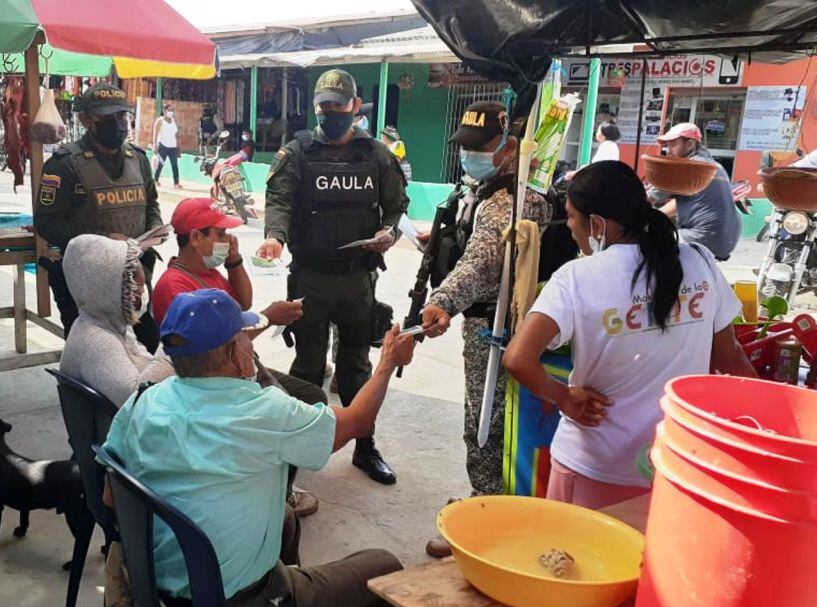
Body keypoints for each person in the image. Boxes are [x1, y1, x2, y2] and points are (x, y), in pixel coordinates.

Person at [103, 288, 415, 607]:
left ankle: (292, 600)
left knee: (285, 518)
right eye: (245, 338)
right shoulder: (264, 412)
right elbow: (358, 420)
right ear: (233, 354)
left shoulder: (144, 400)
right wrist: (387, 362)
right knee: (385, 569)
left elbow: (110, 497)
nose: (251, 346)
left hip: (157, 593)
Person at [503, 160, 757, 509]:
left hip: (593, 465)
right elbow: (731, 360)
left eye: (572, 217)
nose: (571, 228)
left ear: (596, 224)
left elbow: (518, 359)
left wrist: (563, 397)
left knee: (577, 558)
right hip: (673, 463)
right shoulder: (700, 261)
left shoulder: (576, 277)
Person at [257, 68, 410, 485]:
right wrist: (275, 237)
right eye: (323, 107)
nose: (330, 114)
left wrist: (389, 233)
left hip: (358, 280)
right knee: (307, 367)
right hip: (310, 279)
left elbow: (397, 208)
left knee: (356, 367)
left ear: (355, 108)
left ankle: (365, 445)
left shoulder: (377, 154)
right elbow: (280, 199)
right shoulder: (299, 151)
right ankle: (300, 445)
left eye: (338, 107)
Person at [418, 101, 551, 556]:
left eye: (482, 148)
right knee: (491, 417)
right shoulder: (489, 188)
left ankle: (486, 516)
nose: (470, 156)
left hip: (496, 325)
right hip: (490, 319)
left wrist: (443, 300)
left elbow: (482, 262)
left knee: (486, 421)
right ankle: (492, 503)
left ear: (510, 148)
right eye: (467, 148)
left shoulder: (514, 200)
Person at [152, 197, 323, 516]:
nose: (228, 241)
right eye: (219, 234)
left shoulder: (210, 271)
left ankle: (279, 481)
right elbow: (214, 345)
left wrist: (233, 261)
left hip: (241, 365)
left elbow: (243, 304)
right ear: (194, 237)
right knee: (288, 417)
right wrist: (269, 317)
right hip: (216, 378)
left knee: (312, 396)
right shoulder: (175, 286)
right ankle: (277, 495)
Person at [33, 82, 162, 352]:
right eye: (107, 117)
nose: (117, 123)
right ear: (86, 119)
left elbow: (151, 203)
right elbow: (46, 222)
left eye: (121, 116)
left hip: (132, 272)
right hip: (83, 278)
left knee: (147, 346)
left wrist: (155, 228)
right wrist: (101, 241)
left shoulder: (137, 159)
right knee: (91, 351)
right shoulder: (64, 163)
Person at [59, 234, 173, 408]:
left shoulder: (110, 325)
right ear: (110, 290)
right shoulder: (95, 341)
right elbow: (137, 399)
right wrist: (173, 347)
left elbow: (145, 363)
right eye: (137, 288)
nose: (143, 295)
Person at [648, 122, 740, 260]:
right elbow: (691, 201)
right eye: (667, 146)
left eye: (673, 145)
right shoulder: (714, 166)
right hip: (727, 240)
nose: (669, 151)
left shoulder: (688, 166)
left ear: (690, 144)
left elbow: (652, 196)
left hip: (701, 236)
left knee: (648, 244)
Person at [152, 104, 181, 189]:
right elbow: (155, 133)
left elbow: (176, 134)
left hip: (173, 147)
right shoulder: (160, 120)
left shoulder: (173, 120)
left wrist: (178, 147)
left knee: (174, 165)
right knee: (160, 164)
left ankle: (176, 183)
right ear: (164, 111)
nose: (171, 112)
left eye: (172, 110)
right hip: (162, 146)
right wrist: (155, 145)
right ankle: (155, 179)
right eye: (169, 110)